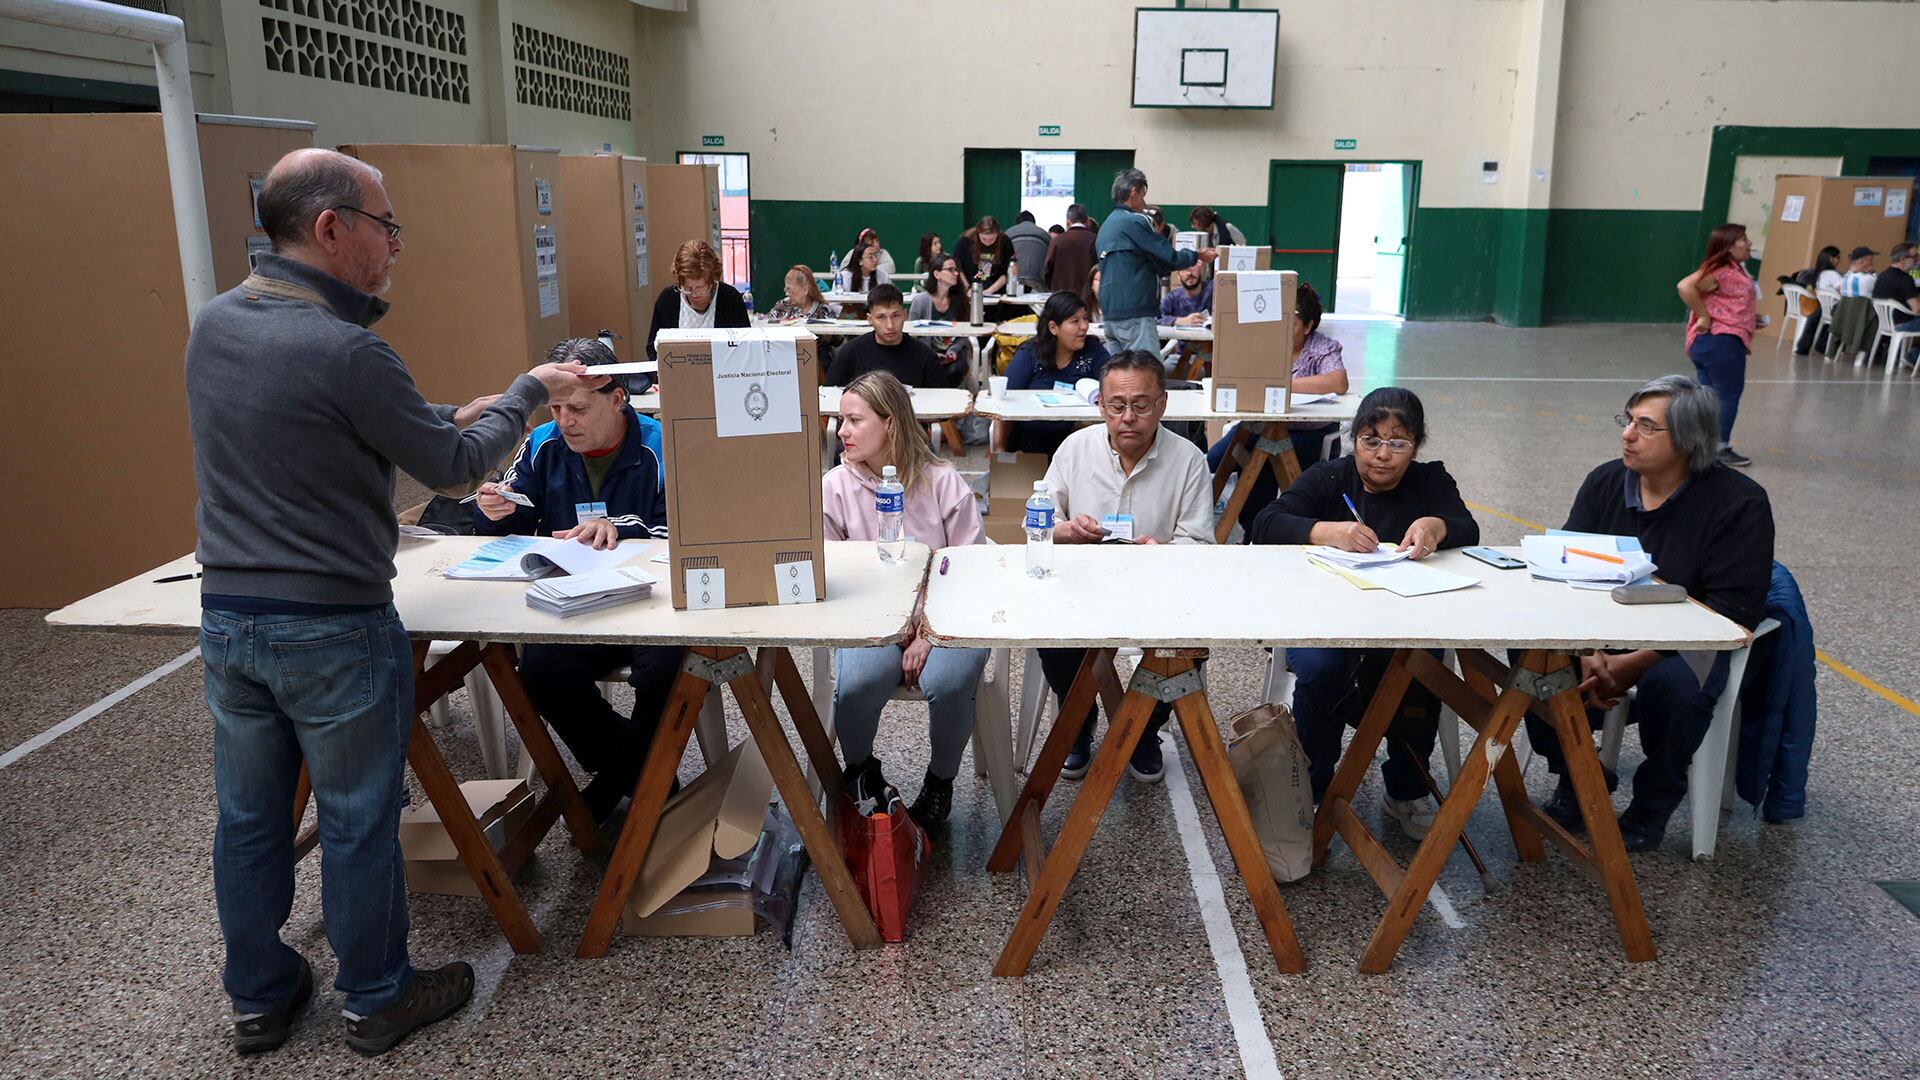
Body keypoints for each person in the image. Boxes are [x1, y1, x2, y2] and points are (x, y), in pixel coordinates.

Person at [187, 148, 608, 1056]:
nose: (395, 247)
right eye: (386, 226)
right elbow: (454, 469)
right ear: (331, 228)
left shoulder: (215, 327)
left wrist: (455, 409)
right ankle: (377, 994)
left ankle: (258, 995)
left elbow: (334, 421)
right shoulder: (346, 348)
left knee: (251, 818)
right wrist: (529, 394)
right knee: (354, 816)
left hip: (229, 617)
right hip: (332, 625)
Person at [1529, 376, 1775, 852]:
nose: (1627, 434)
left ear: (1689, 441)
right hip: (1603, 632)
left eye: (1646, 426)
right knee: (1534, 663)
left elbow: (1732, 611)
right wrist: (1589, 650)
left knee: (1674, 687)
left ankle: (1653, 803)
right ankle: (1580, 775)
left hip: (1690, 642)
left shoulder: (1738, 503)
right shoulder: (1606, 481)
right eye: (1628, 420)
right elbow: (1563, 565)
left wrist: (1636, 660)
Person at [1249, 387, 1477, 839]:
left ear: (1417, 446)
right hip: (1327, 619)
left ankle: (1405, 789)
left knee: (1422, 665)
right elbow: (1266, 523)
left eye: (1398, 443)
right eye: (1370, 440)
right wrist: (1326, 531)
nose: (1382, 455)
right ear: (1354, 438)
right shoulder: (1330, 478)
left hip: (1404, 619)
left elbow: (1468, 526)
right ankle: (1312, 789)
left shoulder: (1430, 481)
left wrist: (1438, 525)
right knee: (1322, 665)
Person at [473, 338, 681, 824]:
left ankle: (620, 778)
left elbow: (688, 531)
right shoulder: (543, 443)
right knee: (541, 671)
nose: (565, 421)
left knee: (668, 670)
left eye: (579, 409)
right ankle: (643, 775)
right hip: (576, 604)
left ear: (618, 398)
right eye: (558, 407)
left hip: (654, 601)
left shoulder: (663, 444)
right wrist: (496, 511)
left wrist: (624, 528)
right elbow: (515, 523)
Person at [822, 371, 991, 826]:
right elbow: (832, 576)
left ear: (890, 423)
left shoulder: (941, 481)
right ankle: (862, 774)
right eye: (842, 420)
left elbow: (970, 570)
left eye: (854, 420)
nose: (842, 431)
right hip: (870, 622)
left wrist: (929, 634)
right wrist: (887, 628)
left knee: (949, 682)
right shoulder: (835, 486)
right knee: (857, 684)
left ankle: (940, 783)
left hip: (951, 617)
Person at [1038, 351, 1214, 783]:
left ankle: (1143, 728)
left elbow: (1202, 547)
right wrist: (1066, 530)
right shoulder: (1075, 449)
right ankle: (1077, 722)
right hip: (1082, 585)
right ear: (1100, 404)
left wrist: (1163, 552)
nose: (1128, 417)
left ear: (1163, 405)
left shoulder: (1189, 459)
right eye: (1117, 405)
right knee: (1047, 629)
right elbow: (1036, 521)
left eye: (1141, 405)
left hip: (1159, 589)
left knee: (1190, 643)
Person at [1205, 282, 1350, 536]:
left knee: (1264, 465)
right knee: (1214, 459)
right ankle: (1234, 526)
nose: (1280, 331)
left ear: (1308, 326)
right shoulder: (1263, 343)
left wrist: (1282, 385)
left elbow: (1338, 381)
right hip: (1257, 423)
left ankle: (1260, 533)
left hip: (1307, 431)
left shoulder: (1322, 347)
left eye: (1290, 325)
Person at [1097, 168, 1213, 357]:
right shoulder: (1135, 221)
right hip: (1135, 313)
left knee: (1120, 375)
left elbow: (1150, 261)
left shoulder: (1106, 226)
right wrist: (1196, 256)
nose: (1144, 204)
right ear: (1133, 192)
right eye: (1143, 196)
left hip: (1110, 314)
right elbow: (1167, 256)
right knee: (1147, 374)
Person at [1675, 223, 1758, 468]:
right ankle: (1720, 447)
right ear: (1729, 247)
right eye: (1743, 239)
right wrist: (1703, 316)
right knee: (1728, 394)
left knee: (1707, 395)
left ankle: (1699, 443)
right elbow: (1685, 286)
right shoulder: (1720, 271)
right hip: (1721, 343)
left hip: (1710, 343)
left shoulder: (1733, 270)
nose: (1749, 243)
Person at [998, 290, 1111, 454]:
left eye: (1085, 319)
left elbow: (1114, 383)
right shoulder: (1030, 353)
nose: (1084, 326)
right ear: (1053, 327)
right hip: (1029, 444)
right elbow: (1003, 401)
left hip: (1078, 443)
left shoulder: (1093, 351)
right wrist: (999, 447)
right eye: (1075, 321)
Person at [824, 284, 964, 387]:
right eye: (881, 317)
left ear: (905, 315)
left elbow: (942, 402)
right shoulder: (851, 352)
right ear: (870, 319)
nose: (890, 325)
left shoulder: (925, 355)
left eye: (895, 316)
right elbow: (828, 393)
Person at [646, 239, 749, 361]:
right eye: (687, 288)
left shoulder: (730, 299)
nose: (694, 294)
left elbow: (745, 346)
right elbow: (653, 347)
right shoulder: (668, 300)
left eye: (700, 288)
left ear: (713, 283)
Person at [907, 253, 974, 368]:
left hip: (953, 353)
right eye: (950, 270)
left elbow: (964, 333)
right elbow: (911, 334)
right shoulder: (920, 301)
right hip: (926, 353)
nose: (956, 273)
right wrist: (932, 354)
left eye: (956, 270)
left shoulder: (961, 301)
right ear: (937, 274)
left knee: (956, 369)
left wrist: (953, 350)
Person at [1826, 246, 1882, 364]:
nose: (1873, 263)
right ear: (1863, 262)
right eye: (1870, 260)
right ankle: (1869, 354)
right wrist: (1872, 273)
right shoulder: (1868, 279)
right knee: (1880, 319)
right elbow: (1879, 286)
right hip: (1861, 321)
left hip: (1844, 320)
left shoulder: (1847, 276)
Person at [1787, 245, 1841, 355]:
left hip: (1819, 307)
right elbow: (1845, 290)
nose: (1839, 261)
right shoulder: (1833, 275)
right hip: (1831, 310)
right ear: (1831, 259)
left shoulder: (1816, 274)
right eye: (1838, 257)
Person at [1045, 203, 1098, 299]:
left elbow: (1047, 270)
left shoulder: (1056, 241)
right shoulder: (1094, 240)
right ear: (1087, 221)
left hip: (1061, 297)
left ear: (1068, 222)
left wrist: (1053, 288)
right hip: (1087, 297)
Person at [955, 215, 1012, 295]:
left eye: (992, 239)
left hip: (995, 291)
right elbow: (958, 267)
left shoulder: (1005, 242)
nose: (988, 243)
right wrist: (967, 287)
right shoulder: (965, 241)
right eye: (984, 239)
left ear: (997, 235)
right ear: (978, 234)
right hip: (969, 288)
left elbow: (1006, 272)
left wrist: (989, 291)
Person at [1872, 242, 1920, 329]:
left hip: (1884, 324)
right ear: (1902, 259)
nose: (1918, 259)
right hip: (1903, 325)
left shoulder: (1882, 275)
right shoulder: (1905, 279)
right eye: (1915, 257)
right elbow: (1916, 309)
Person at [1005, 210, 1051, 290]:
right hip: (1037, 279)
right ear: (1033, 222)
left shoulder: (1008, 233)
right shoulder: (1044, 234)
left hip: (1013, 279)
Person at [767, 264, 832, 321]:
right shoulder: (782, 306)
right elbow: (766, 322)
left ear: (805, 290)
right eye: (786, 290)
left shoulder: (823, 311)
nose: (787, 294)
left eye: (790, 290)